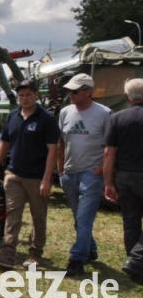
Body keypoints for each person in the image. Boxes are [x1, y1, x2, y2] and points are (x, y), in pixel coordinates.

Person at [0, 79, 59, 269]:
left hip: (36, 177)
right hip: (13, 174)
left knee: (38, 216)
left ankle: (35, 254)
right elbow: (4, 143)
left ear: (36, 95)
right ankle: (7, 254)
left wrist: (47, 179)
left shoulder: (46, 119)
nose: (25, 98)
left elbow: (52, 150)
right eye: (21, 95)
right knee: (12, 214)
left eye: (29, 94)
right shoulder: (12, 116)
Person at [56, 73, 110, 275]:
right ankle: (91, 249)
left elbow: (111, 145)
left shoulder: (105, 114)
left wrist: (102, 167)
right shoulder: (65, 113)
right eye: (69, 91)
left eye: (75, 91)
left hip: (91, 173)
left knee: (84, 217)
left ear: (88, 92)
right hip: (70, 172)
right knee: (79, 217)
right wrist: (60, 169)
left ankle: (76, 259)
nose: (71, 94)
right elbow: (61, 142)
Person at [103, 78, 143, 282]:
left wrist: (108, 182)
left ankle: (134, 263)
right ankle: (136, 261)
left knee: (130, 221)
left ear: (128, 97)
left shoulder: (117, 118)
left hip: (125, 176)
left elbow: (109, 153)